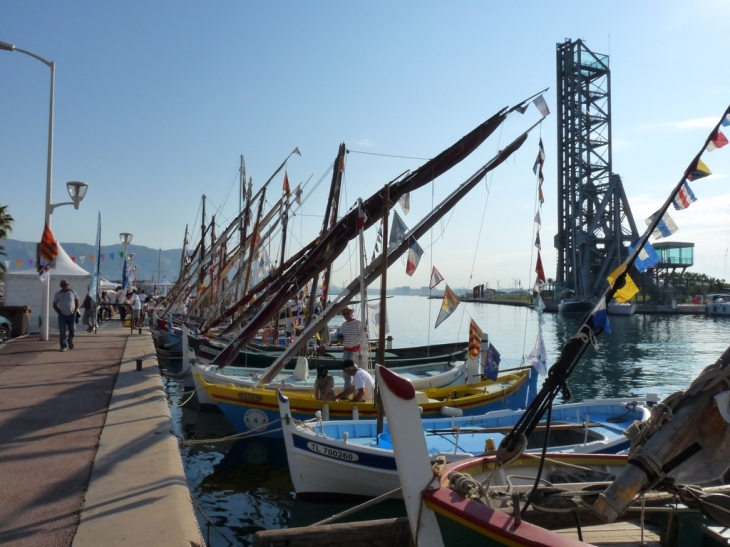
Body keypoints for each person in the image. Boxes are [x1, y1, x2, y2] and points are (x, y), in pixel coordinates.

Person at [52, 279, 79, 351]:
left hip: (71, 314)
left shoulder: (72, 292)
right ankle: (63, 346)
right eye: (63, 285)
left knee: (73, 330)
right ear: (60, 286)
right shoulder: (57, 294)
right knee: (62, 331)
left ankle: (70, 340)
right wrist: (58, 312)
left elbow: (77, 301)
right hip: (62, 315)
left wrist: (75, 310)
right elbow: (54, 304)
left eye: (66, 284)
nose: (65, 286)